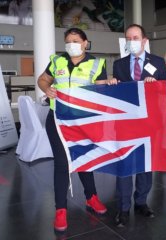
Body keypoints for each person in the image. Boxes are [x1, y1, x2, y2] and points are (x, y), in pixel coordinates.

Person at [37, 28, 108, 232]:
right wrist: (46, 88)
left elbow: (101, 93)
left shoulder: (96, 63)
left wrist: (109, 84)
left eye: (76, 40)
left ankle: (91, 197)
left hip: (83, 121)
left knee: (85, 160)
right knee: (61, 163)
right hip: (58, 120)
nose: (71, 44)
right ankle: (60, 210)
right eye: (68, 41)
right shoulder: (58, 61)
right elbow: (42, 79)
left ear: (85, 43)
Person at [111, 23, 166, 228]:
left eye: (135, 38)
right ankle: (123, 208)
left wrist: (158, 85)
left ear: (145, 40)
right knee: (125, 165)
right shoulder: (118, 64)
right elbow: (115, 95)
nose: (131, 42)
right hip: (125, 123)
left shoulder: (158, 63)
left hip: (149, 122)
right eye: (128, 38)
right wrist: (112, 85)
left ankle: (141, 202)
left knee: (146, 164)